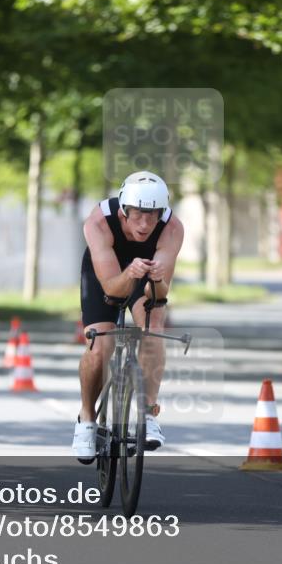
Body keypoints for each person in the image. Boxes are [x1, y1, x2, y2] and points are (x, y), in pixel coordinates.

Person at [71, 171, 184, 463]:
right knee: (100, 346)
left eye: (153, 215)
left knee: (153, 328)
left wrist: (156, 279)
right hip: (105, 274)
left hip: (145, 275)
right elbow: (111, 288)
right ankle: (86, 419)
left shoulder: (172, 229)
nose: (145, 224)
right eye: (138, 215)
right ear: (124, 211)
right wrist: (129, 273)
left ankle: (148, 414)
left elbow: (159, 295)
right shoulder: (98, 222)